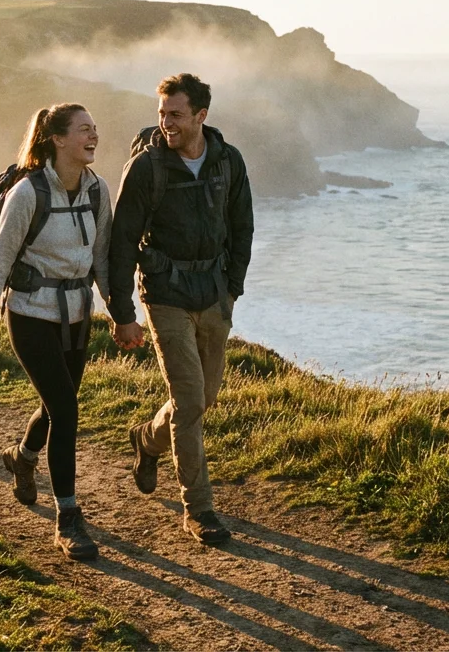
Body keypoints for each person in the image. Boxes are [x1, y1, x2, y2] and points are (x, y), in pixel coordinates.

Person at [109, 73, 254, 545]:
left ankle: (146, 439)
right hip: (165, 294)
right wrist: (122, 311)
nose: (166, 123)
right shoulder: (146, 168)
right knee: (189, 402)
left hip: (213, 293)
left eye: (176, 114)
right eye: (162, 114)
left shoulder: (228, 161)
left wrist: (232, 290)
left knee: (203, 399)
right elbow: (122, 240)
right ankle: (199, 509)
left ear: (201, 116)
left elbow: (243, 226)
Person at [0, 103, 112, 561]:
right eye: (84, 129)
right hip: (30, 315)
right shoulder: (28, 193)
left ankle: (22, 457)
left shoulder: (98, 190)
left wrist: (123, 315)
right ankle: (68, 517)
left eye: (94, 129)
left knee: (56, 407)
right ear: (58, 139)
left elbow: (102, 260)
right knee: (66, 409)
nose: (93, 136)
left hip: (77, 315)